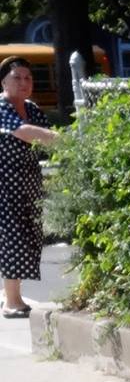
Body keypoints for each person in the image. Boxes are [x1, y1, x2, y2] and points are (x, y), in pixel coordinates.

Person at [0, 55, 60, 318]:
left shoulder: (33, 108)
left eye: (28, 78)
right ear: (3, 82)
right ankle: (12, 302)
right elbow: (24, 132)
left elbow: (46, 140)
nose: (24, 82)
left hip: (29, 185)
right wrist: (60, 138)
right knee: (12, 239)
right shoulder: (1, 107)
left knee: (28, 238)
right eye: (17, 78)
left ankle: (9, 294)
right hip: (4, 186)